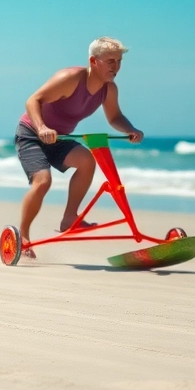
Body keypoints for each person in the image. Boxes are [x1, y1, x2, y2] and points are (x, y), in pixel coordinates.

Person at [14, 37, 144, 256]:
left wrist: (130, 129)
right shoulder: (71, 78)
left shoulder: (109, 89)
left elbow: (114, 117)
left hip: (60, 138)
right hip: (32, 134)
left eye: (119, 61)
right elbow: (33, 100)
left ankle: (69, 218)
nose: (116, 67)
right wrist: (42, 127)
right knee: (43, 181)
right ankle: (23, 235)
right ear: (94, 61)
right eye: (110, 61)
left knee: (86, 161)